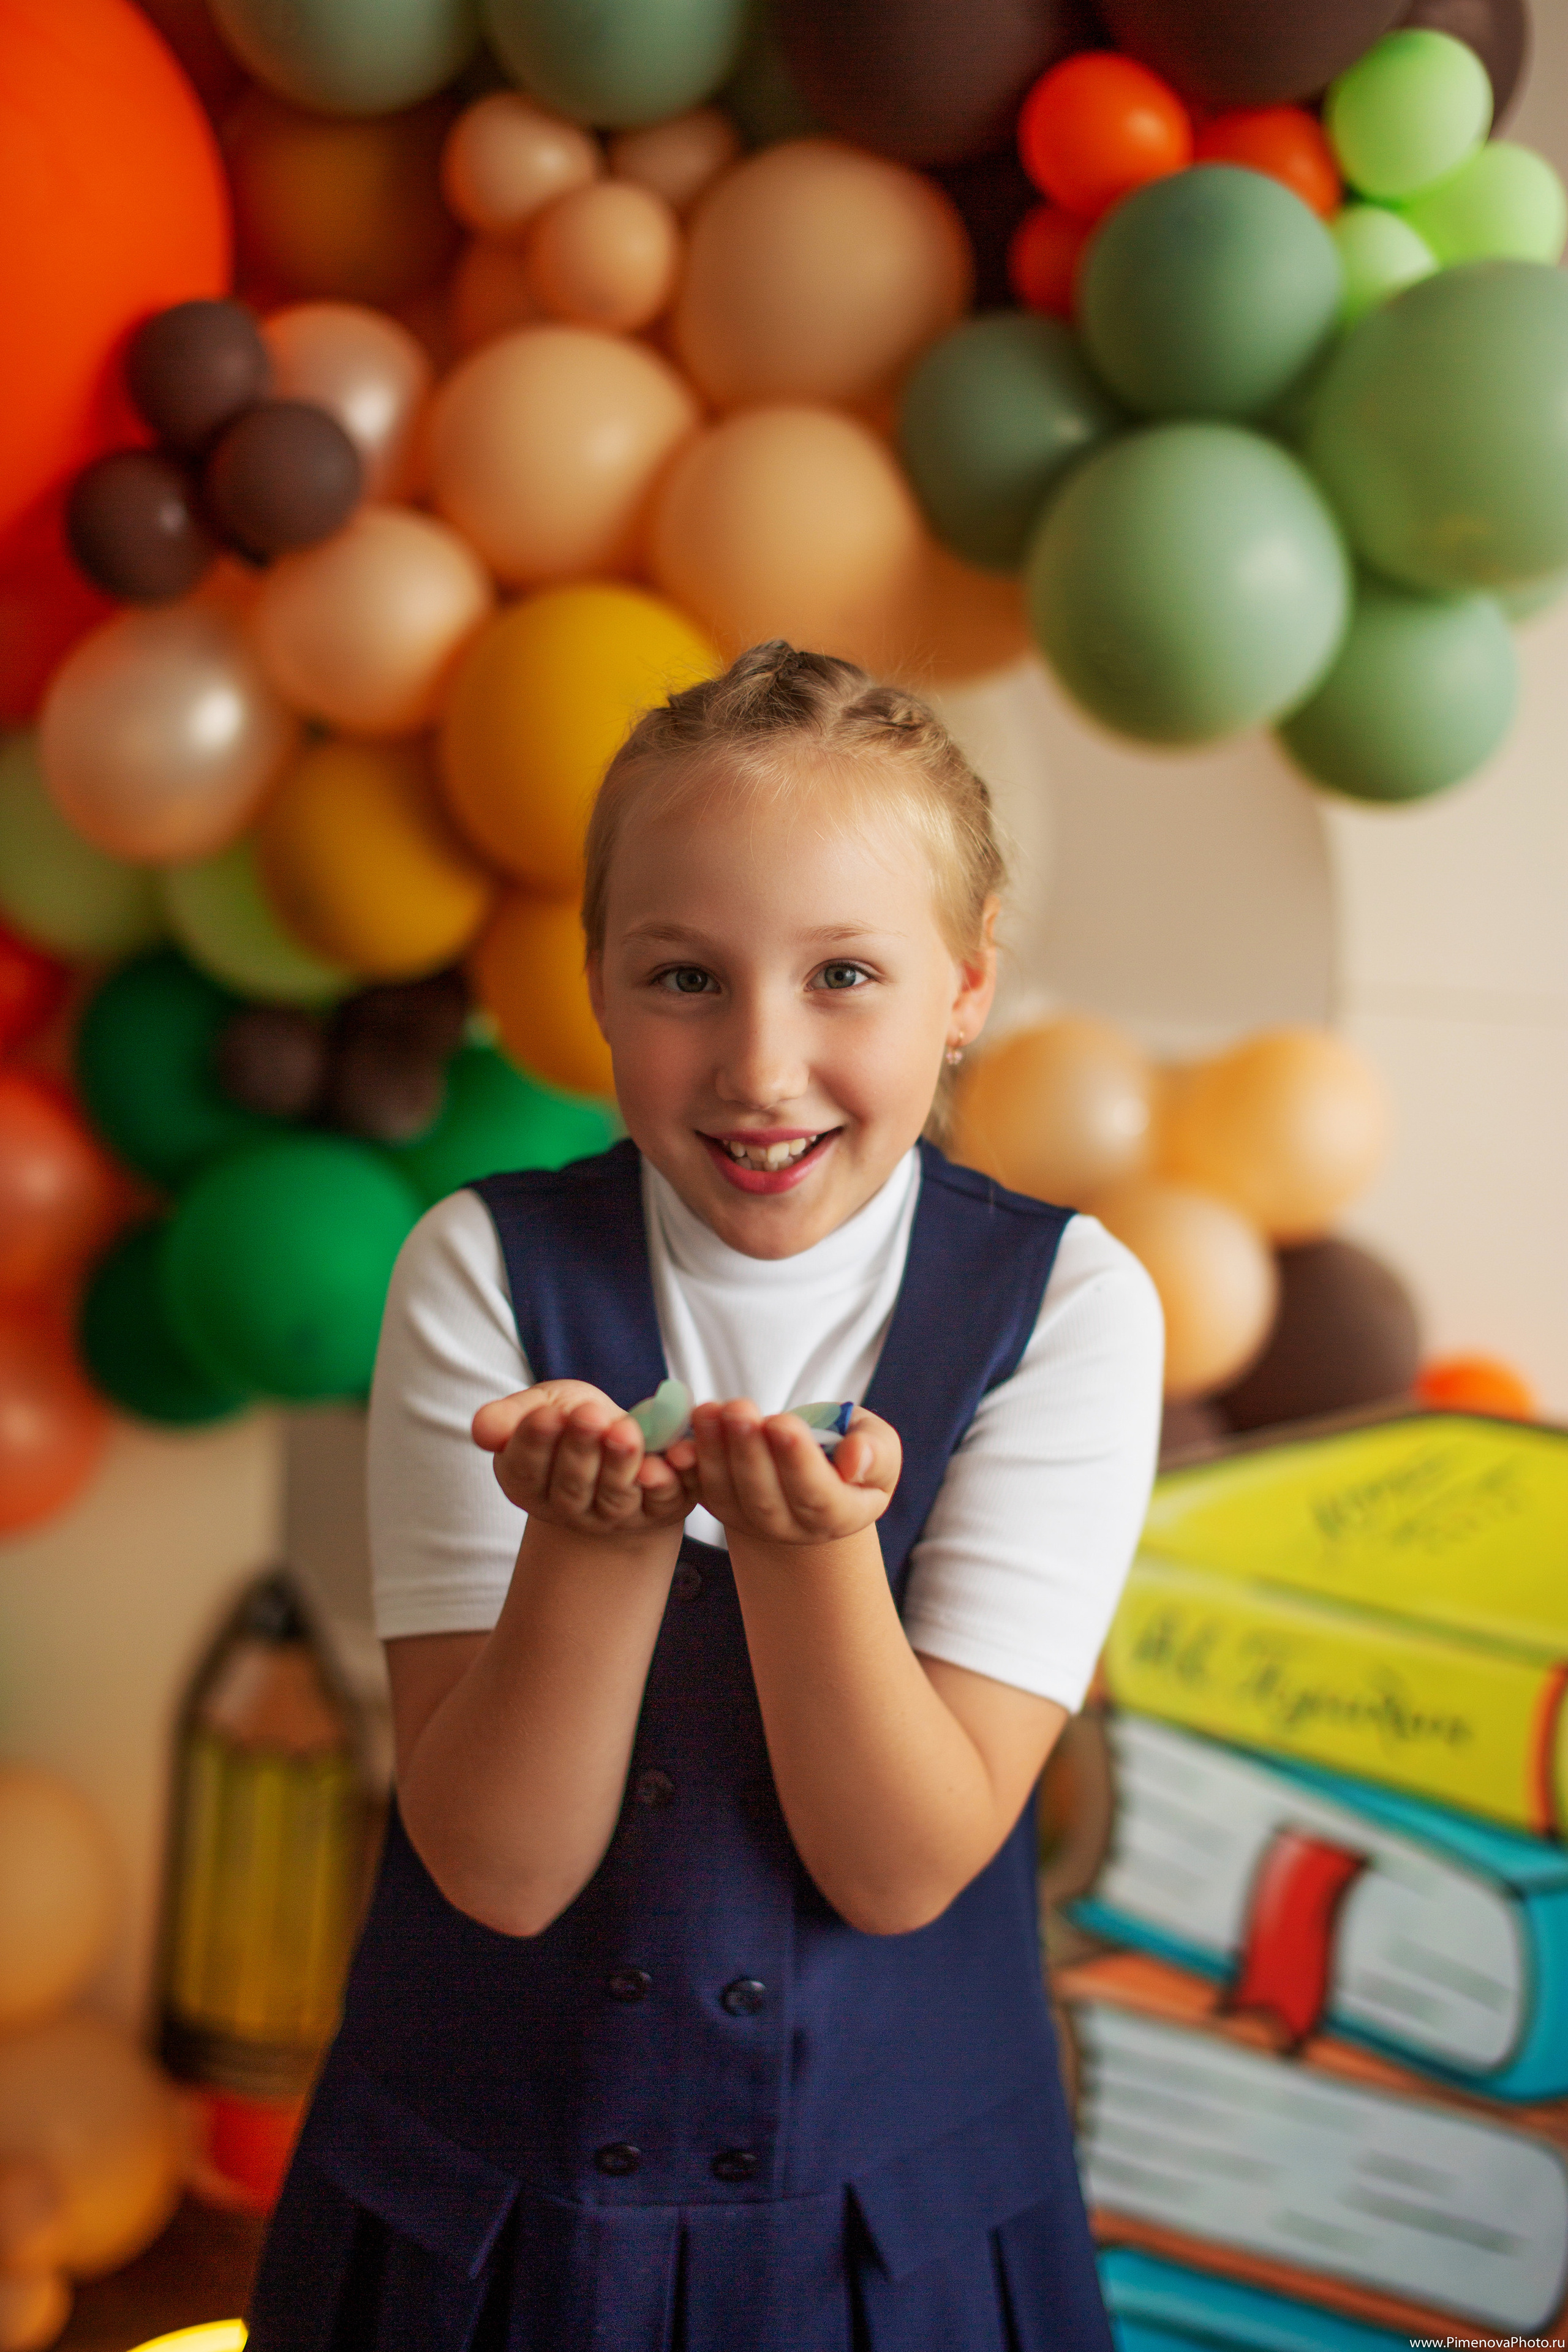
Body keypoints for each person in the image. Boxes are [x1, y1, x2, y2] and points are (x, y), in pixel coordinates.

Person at [249, 643, 1164, 2352]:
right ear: (594, 978)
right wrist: (591, 1552)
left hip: (891, 2258)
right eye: (685, 977)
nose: (758, 1065)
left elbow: (902, 1870)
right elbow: (499, 1872)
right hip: (488, 2236)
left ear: (964, 991)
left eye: (842, 976)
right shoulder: (480, 1268)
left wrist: (811, 1558)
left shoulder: (1075, 1308)